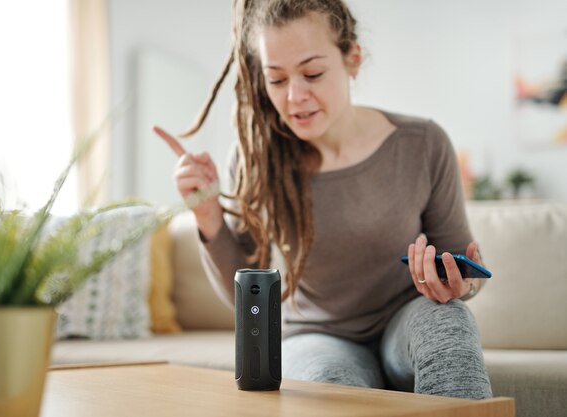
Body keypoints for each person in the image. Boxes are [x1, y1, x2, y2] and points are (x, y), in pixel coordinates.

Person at [155, 0, 492, 399]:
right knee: (326, 380)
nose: (295, 96)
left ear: (352, 59)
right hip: (315, 336)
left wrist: (458, 284)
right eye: (276, 80)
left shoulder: (423, 144)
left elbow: (460, 270)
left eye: (312, 73)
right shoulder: (255, 161)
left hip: (406, 318)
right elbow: (248, 301)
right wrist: (208, 217)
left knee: (450, 323)